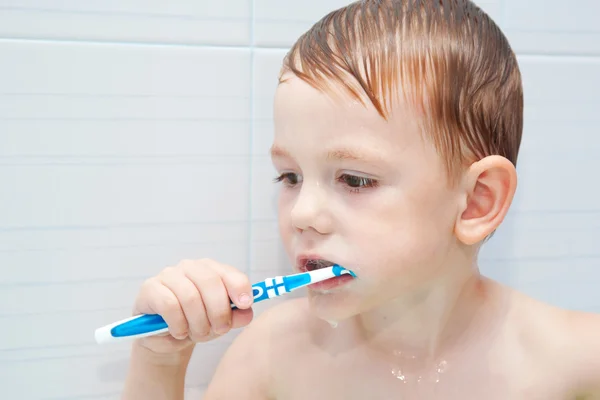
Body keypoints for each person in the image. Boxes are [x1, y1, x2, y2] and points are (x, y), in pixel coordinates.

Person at [121, 1, 600, 398]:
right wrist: (159, 364)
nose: (303, 213)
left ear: (476, 201)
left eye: (353, 180)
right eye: (289, 176)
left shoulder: (574, 361)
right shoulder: (273, 355)